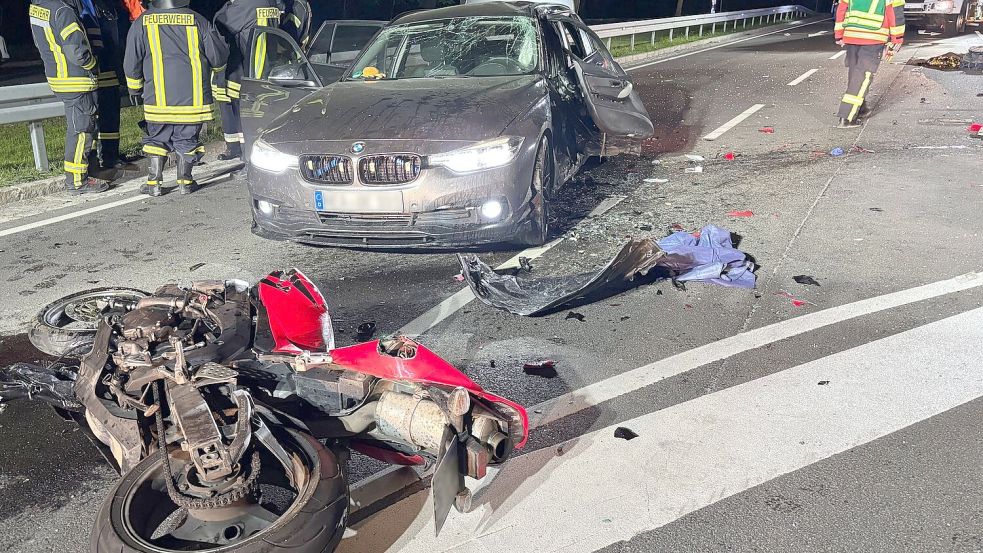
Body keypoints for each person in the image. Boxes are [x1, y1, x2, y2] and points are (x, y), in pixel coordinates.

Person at [124, 0, 228, 196]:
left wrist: (134, 87)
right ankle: (185, 182)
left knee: (156, 140)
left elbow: (132, 58)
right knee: (187, 139)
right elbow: (218, 56)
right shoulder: (197, 20)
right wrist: (217, 72)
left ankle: (154, 183)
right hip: (193, 99)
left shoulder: (143, 21)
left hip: (157, 99)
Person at [28, 0, 110, 194]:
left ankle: (88, 170)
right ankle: (77, 181)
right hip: (76, 79)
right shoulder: (62, 11)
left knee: (80, 127)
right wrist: (93, 64)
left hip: (58, 76)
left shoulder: (38, 7)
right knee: (82, 130)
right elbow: (77, 51)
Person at [213, 0, 285, 161]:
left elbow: (221, 21)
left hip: (246, 69)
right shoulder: (270, 3)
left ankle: (246, 155)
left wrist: (227, 6)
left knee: (241, 111)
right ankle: (236, 147)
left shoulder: (245, 5)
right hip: (265, 67)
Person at [833, 0, 905, 128]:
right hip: (873, 36)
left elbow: (842, 8)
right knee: (863, 76)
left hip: (851, 34)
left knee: (855, 74)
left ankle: (860, 108)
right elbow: (894, 12)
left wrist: (839, 34)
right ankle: (847, 117)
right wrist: (897, 38)